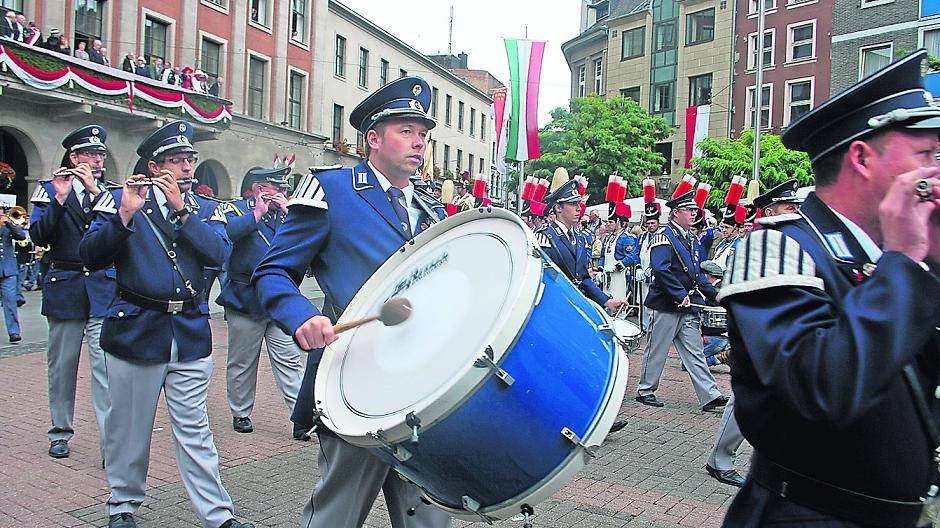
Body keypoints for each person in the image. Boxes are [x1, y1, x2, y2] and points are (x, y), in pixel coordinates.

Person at [720, 49, 940, 528]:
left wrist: (931, 264)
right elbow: (825, 389)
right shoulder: (774, 250)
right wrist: (904, 264)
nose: (936, 171)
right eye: (926, 154)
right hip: (808, 515)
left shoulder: (898, 258)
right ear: (861, 157)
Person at [253, 76, 452, 527]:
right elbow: (273, 272)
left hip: (423, 386)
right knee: (336, 515)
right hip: (358, 381)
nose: (419, 143)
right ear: (374, 139)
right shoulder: (332, 190)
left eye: (423, 134)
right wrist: (301, 316)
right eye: (407, 131)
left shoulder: (430, 209)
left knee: (429, 518)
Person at [79, 120, 251, 528]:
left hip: (189, 331)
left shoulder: (207, 209)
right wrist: (124, 215)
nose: (188, 168)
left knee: (196, 430)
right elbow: (91, 256)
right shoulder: (119, 200)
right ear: (156, 168)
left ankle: (217, 515)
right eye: (177, 160)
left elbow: (218, 254)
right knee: (129, 428)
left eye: (191, 159)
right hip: (137, 329)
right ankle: (122, 505)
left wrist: (182, 213)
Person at [29, 125, 116, 460]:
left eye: (100, 155)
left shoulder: (109, 193)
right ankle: (60, 431)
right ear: (74, 157)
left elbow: (115, 230)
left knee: (105, 371)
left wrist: (95, 193)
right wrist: (60, 199)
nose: (97, 160)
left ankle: (111, 442)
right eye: (90, 154)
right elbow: (38, 236)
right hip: (64, 288)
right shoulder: (49, 190)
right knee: (62, 366)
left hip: (99, 289)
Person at [216, 167, 306, 439]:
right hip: (245, 298)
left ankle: (301, 416)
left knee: (290, 360)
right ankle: (241, 412)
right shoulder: (235, 209)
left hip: (277, 302)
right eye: (275, 188)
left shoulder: (286, 215)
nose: (281, 193)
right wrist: (256, 214)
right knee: (243, 361)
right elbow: (227, 235)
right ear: (259, 189)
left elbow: (304, 243)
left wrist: (291, 213)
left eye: (283, 189)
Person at [635, 189, 727, 412]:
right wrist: (679, 294)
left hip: (687, 305)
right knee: (657, 349)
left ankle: (710, 395)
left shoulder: (692, 239)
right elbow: (660, 268)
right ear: (676, 213)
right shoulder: (663, 237)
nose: (694, 213)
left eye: (695, 210)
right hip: (666, 303)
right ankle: (645, 390)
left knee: (694, 351)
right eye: (689, 210)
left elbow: (697, 276)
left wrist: (719, 296)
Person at [599, 203, 638, 300]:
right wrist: (600, 269)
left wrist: (616, 267)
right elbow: (603, 255)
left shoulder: (626, 238)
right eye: (607, 222)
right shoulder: (608, 238)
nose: (607, 224)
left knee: (618, 300)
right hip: (606, 275)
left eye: (610, 222)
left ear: (617, 222)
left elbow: (630, 257)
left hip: (619, 275)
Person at [635, 201, 663, 332]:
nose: (650, 226)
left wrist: (652, 270)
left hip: (656, 277)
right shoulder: (642, 237)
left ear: (658, 222)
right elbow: (636, 253)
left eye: (653, 223)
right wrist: (638, 267)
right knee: (642, 303)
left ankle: (654, 329)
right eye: (648, 223)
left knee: (654, 305)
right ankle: (644, 328)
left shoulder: (663, 236)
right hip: (642, 276)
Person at [0, 205, 26, 341]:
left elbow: (21, 236)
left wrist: (9, 224)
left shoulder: (7, 227)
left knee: (10, 302)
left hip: (8, 270)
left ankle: (14, 332)